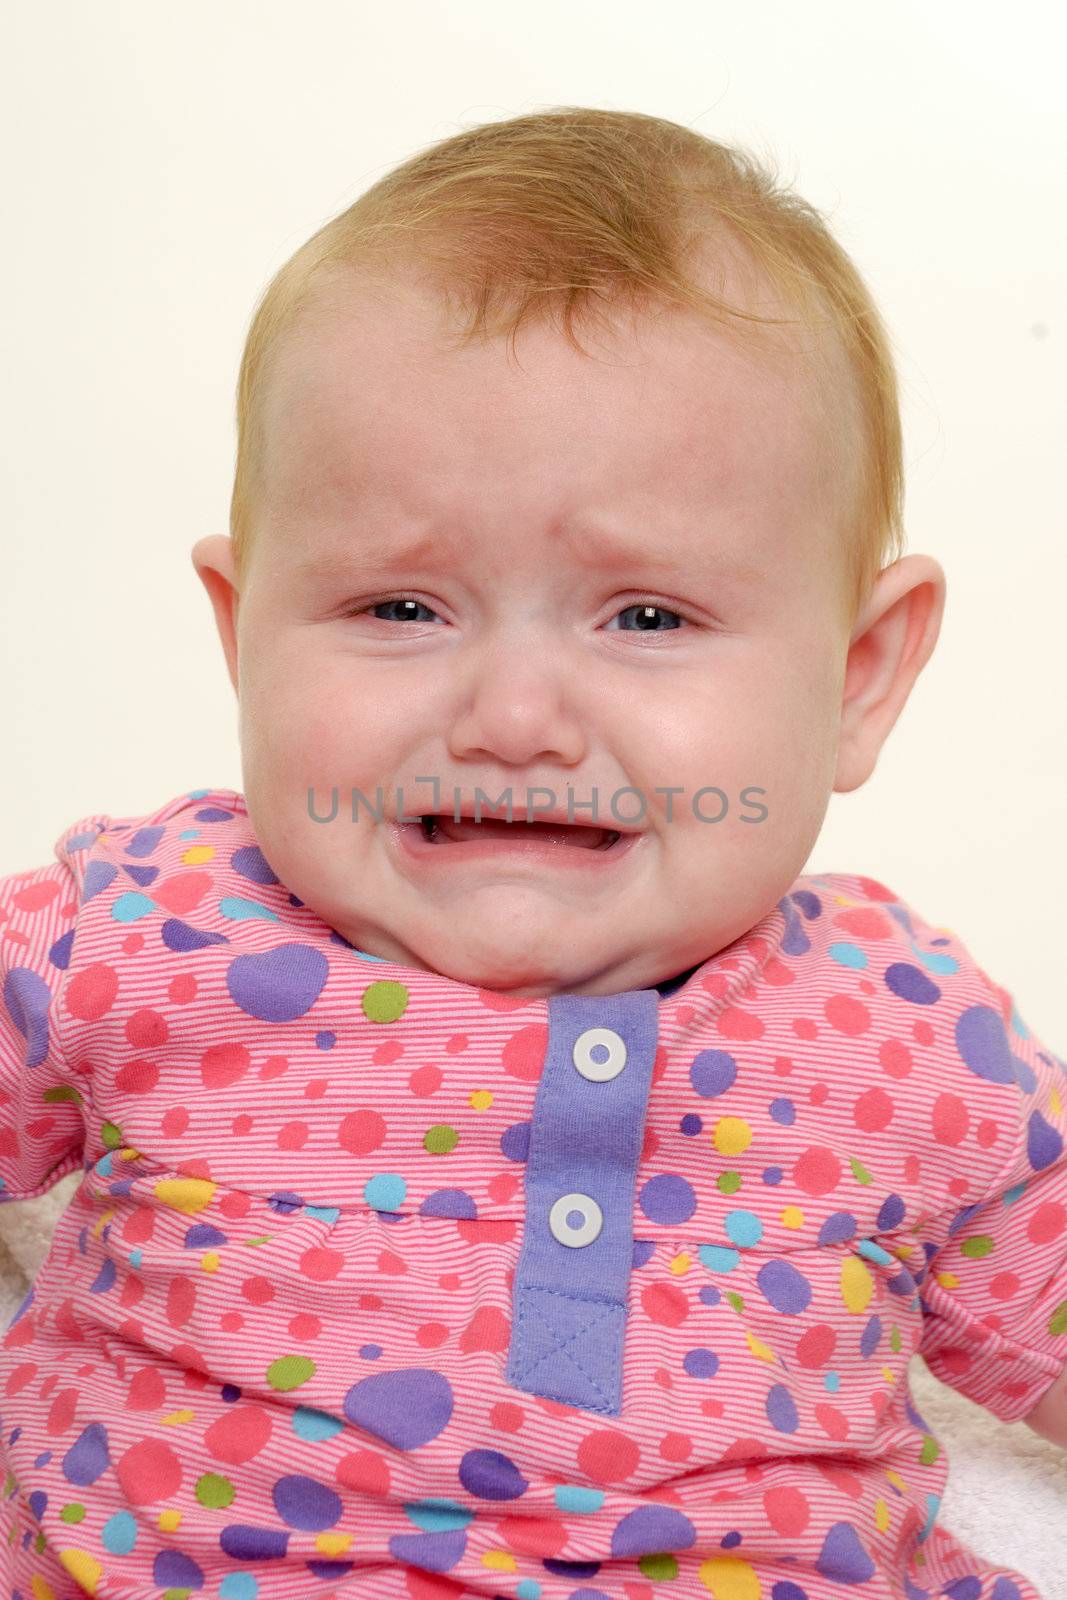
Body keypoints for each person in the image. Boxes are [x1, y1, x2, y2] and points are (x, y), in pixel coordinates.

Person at [2, 106, 1064, 1600]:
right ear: (245, 640)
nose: (510, 717)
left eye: (645, 618)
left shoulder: (907, 1039)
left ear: (861, 675)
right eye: (399, 608)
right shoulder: (138, 932)